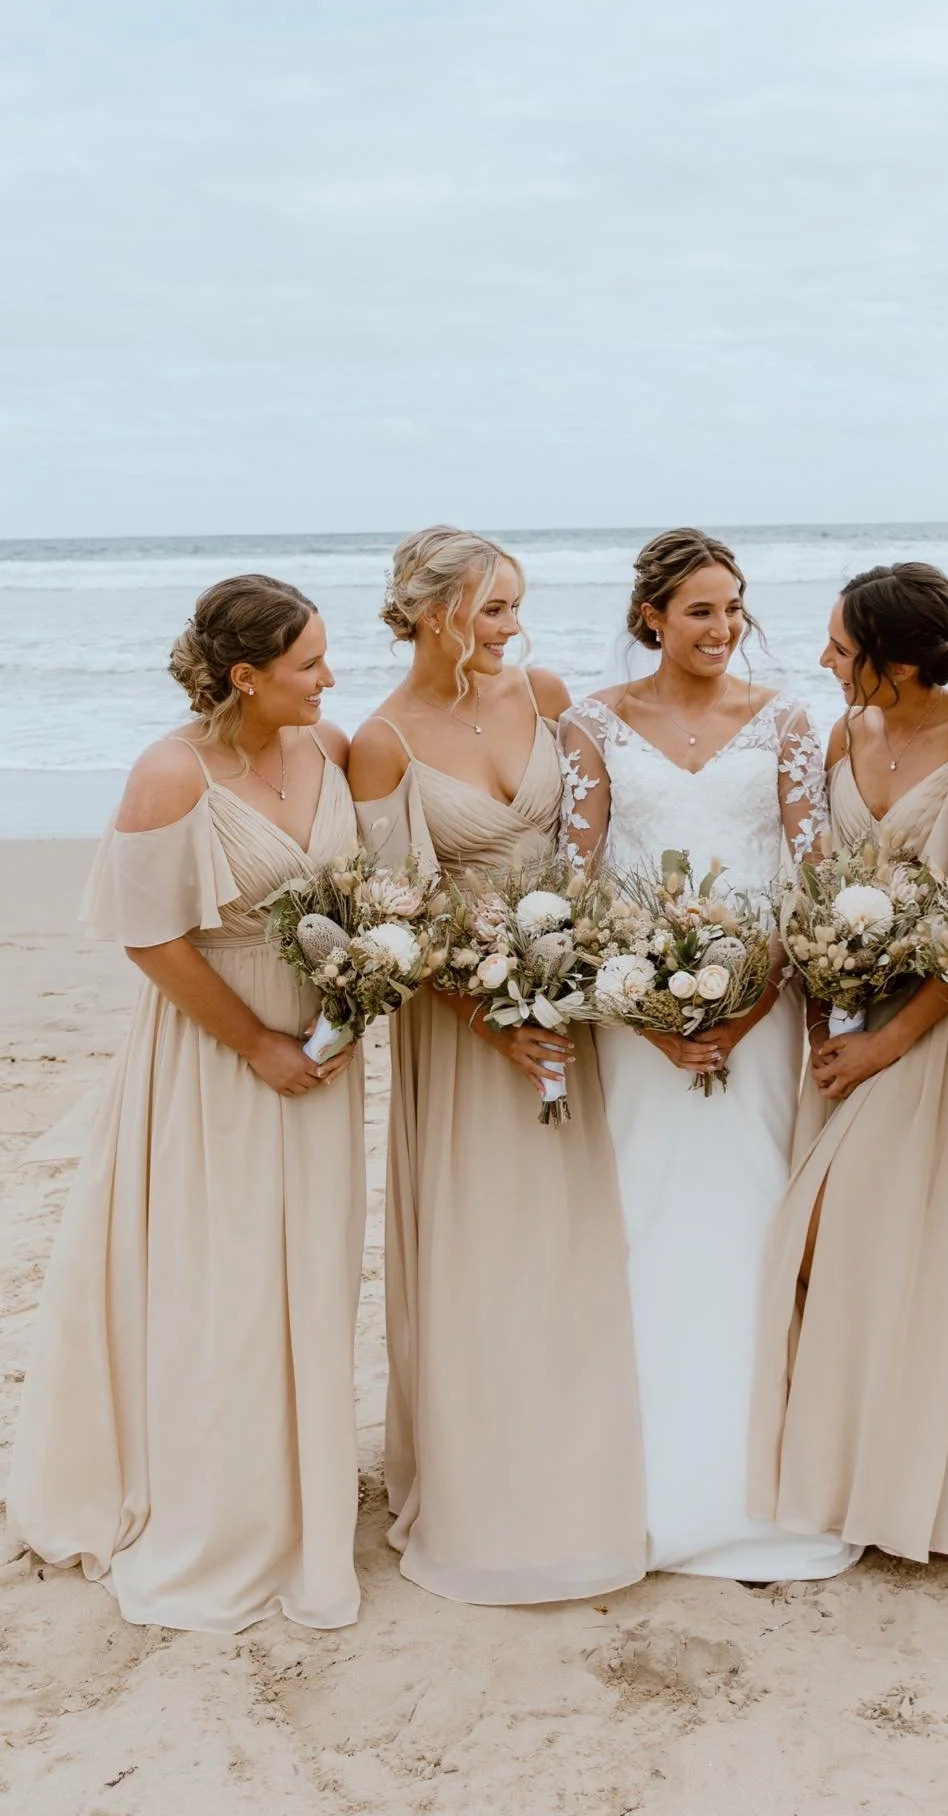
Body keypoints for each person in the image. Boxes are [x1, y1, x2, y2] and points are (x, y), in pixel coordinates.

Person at [9, 576, 366, 1632]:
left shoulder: (328, 745)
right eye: (308, 663)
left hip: (320, 1048)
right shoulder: (171, 772)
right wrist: (255, 1040)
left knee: (310, 1260)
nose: (328, 678)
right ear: (245, 676)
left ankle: (301, 1480)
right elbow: (146, 934)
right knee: (224, 1270)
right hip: (219, 1050)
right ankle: (221, 1501)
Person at [348, 526, 645, 1604]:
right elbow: (399, 917)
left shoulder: (548, 690)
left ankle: (584, 1445)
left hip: (571, 989)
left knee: (579, 1233)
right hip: (462, 1018)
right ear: (434, 615)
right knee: (486, 1236)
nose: (514, 628)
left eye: (516, 605)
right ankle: (485, 1469)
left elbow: (597, 832)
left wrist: (592, 961)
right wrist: (493, 1015)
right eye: (494, 608)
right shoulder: (380, 741)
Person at [560, 527, 858, 1582]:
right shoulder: (591, 722)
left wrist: (755, 993)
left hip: (763, 1008)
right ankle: (643, 1482)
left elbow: (809, 870)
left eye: (733, 607)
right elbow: (580, 873)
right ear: (650, 616)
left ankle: (759, 1481)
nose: (722, 628)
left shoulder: (784, 719)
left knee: (752, 1212)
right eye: (699, 610)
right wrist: (639, 1004)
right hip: (634, 1023)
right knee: (642, 1216)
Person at [749, 562, 948, 1564]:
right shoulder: (845, 730)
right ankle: (850, 1463)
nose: (822, 661)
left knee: (873, 1240)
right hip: (843, 1016)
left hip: (932, 1032)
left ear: (898, 662)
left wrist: (892, 1036)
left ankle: (918, 1481)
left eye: (839, 648)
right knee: (832, 1248)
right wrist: (820, 981)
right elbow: (818, 873)